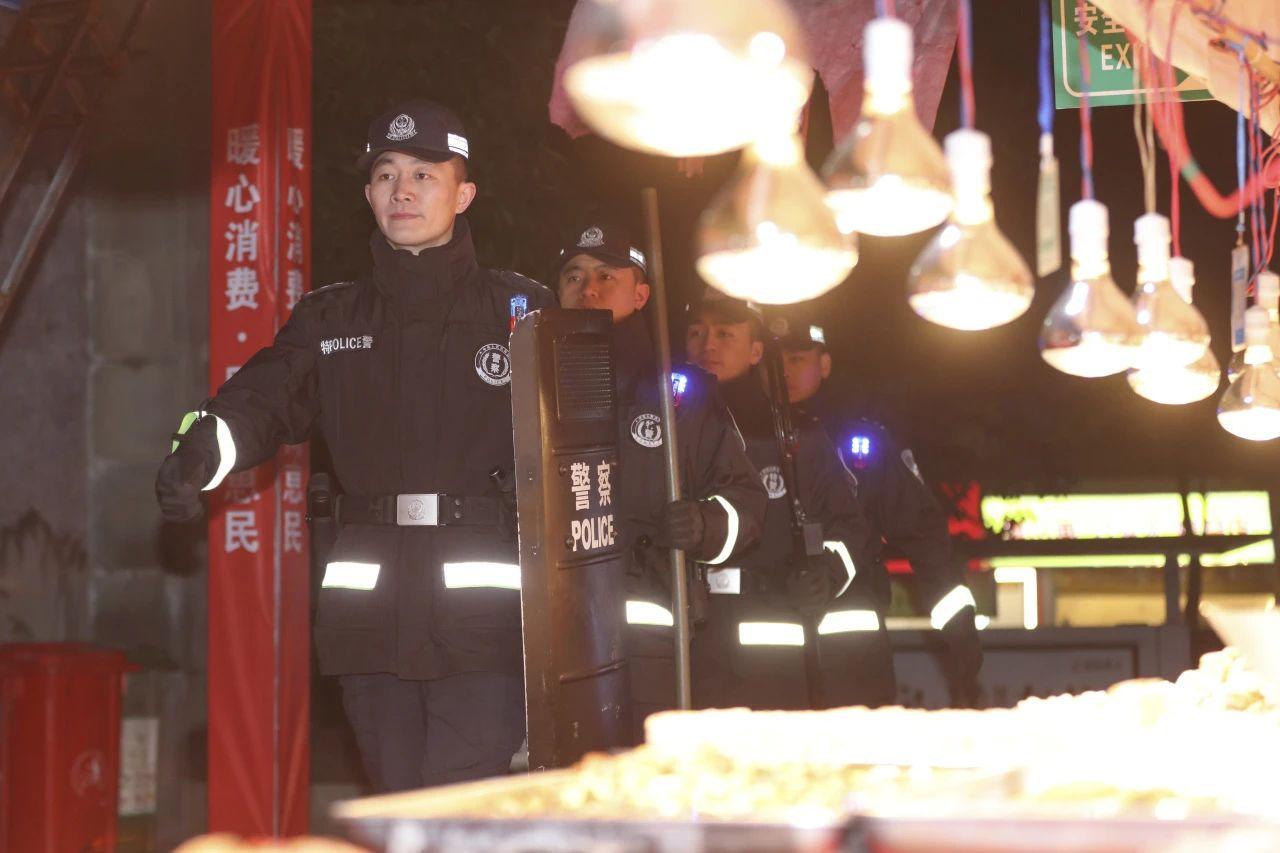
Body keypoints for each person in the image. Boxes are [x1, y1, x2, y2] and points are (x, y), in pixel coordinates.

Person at [155, 101, 556, 792]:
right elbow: (263, 399)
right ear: (369, 194)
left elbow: (584, 448)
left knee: (458, 803)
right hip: (371, 621)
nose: (403, 190)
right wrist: (202, 451)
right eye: (386, 174)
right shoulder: (331, 318)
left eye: (424, 174)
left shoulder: (523, 313)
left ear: (463, 194)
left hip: (486, 624)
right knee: (395, 801)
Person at [554, 221, 766, 738]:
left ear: (641, 294)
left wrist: (704, 524)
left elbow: (745, 500)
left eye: (606, 276)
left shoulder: (680, 393)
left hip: (647, 635)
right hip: (549, 630)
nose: (588, 289)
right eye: (574, 276)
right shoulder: (531, 380)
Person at [684, 293, 887, 710]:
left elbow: (850, 526)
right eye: (697, 332)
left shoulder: (796, 436)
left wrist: (827, 571)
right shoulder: (660, 427)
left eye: (725, 333)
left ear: (756, 351)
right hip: (684, 642)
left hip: (771, 651)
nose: (708, 344)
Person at [777, 319, 983, 704]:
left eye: (797, 359)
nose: (784, 371)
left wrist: (959, 626)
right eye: (776, 361)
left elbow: (923, 532)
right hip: (766, 658)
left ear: (824, 364)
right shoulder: (734, 435)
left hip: (853, 656)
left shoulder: (861, 443)